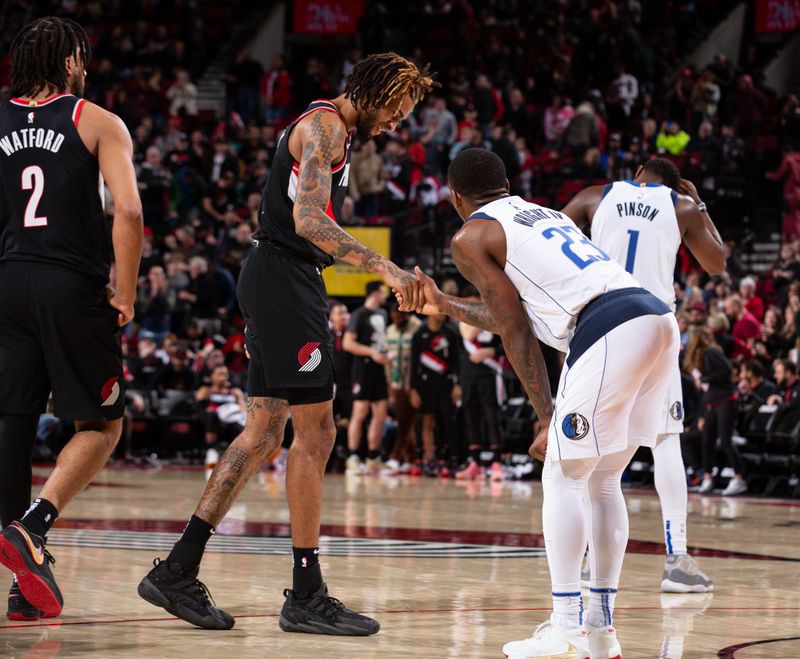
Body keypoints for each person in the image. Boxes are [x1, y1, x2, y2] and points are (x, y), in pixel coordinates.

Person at [138, 52, 434, 634]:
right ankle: (305, 592)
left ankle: (177, 569)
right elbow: (309, 221)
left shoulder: (336, 132)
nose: (399, 123)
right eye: (398, 110)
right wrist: (387, 267)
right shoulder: (324, 126)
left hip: (278, 276)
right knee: (316, 431)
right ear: (376, 92)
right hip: (286, 277)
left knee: (265, 431)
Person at [402, 148, 679, 658]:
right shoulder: (545, 214)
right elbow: (510, 314)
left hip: (607, 327)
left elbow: (513, 329)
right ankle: (599, 627)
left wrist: (548, 416)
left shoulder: (471, 235)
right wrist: (443, 303)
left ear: (455, 197)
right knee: (600, 479)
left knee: (562, 473)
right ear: (507, 183)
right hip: (656, 317)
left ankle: (567, 628)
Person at [0, 17, 143, 620]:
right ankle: (34, 525)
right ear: (68, 63)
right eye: (82, 57)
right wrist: (127, 295)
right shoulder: (95, 119)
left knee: (12, 423)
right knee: (103, 423)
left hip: (8, 281)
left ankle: (20, 579)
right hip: (68, 283)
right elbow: (129, 212)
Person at [562, 157, 725, 593]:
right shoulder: (682, 206)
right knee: (666, 441)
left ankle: (578, 558)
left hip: (598, 323)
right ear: (676, 185)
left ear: (636, 174)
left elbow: (553, 236)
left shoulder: (597, 195)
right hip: (652, 324)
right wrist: (700, 204)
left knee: (585, 446)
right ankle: (677, 561)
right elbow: (716, 263)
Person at [685, 329, 746, 496]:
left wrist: (705, 379)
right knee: (707, 442)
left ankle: (739, 478)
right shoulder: (702, 357)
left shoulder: (711, 352)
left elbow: (727, 369)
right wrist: (703, 413)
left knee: (725, 440)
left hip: (726, 401)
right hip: (712, 403)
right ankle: (708, 478)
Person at [344, 281, 391, 475]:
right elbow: (348, 343)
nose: (385, 295)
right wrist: (371, 352)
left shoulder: (383, 314)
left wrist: (386, 354)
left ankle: (373, 457)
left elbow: (380, 340)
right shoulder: (359, 315)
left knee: (380, 413)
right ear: (374, 293)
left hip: (379, 368)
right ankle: (353, 457)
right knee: (360, 412)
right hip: (362, 368)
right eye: (383, 292)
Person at [409, 310, 460, 469]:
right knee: (427, 421)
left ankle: (451, 457)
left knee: (448, 420)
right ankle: (429, 456)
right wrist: (413, 389)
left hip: (446, 383)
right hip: (425, 385)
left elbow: (457, 362)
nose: (443, 313)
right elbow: (414, 364)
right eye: (438, 310)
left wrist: (458, 385)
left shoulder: (451, 332)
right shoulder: (419, 334)